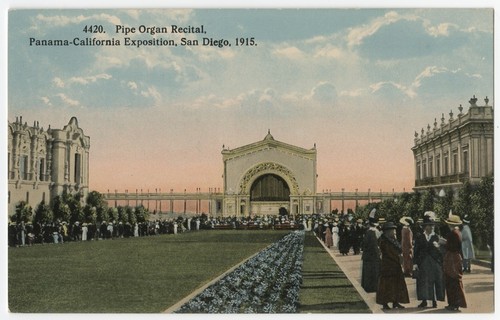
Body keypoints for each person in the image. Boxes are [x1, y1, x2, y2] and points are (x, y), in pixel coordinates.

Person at [413, 214, 445, 308]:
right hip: (422, 262)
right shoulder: (419, 237)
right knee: (423, 281)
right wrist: (415, 263)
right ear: (424, 227)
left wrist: (439, 249)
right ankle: (424, 300)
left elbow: (441, 252)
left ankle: (434, 300)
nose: (431, 227)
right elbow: (416, 251)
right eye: (429, 225)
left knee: (434, 281)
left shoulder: (437, 237)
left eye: (432, 225)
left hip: (434, 262)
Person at [376, 221, 410, 310]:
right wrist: (398, 257)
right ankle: (385, 303)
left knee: (396, 284)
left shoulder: (392, 240)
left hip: (395, 265)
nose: (394, 232)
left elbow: (399, 249)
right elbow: (388, 252)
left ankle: (395, 302)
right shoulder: (384, 240)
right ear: (387, 231)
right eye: (393, 230)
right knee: (387, 285)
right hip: (388, 265)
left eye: (395, 230)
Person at [443, 214, 467, 311]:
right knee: (454, 280)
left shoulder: (453, 233)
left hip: (452, 258)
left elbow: (452, 247)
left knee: (451, 280)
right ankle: (455, 303)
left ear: (451, 224)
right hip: (456, 258)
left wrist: (443, 243)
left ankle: (453, 303)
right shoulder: (458, 232)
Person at [361, 213, 381, 293]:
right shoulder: (375, 232)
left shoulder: (368, 232)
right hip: (374, 255)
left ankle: (368, 286)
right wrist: (379, 254)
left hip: (367, 255)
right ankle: (373, 287)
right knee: (374, 271)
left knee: (367, 272)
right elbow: (376, 245)